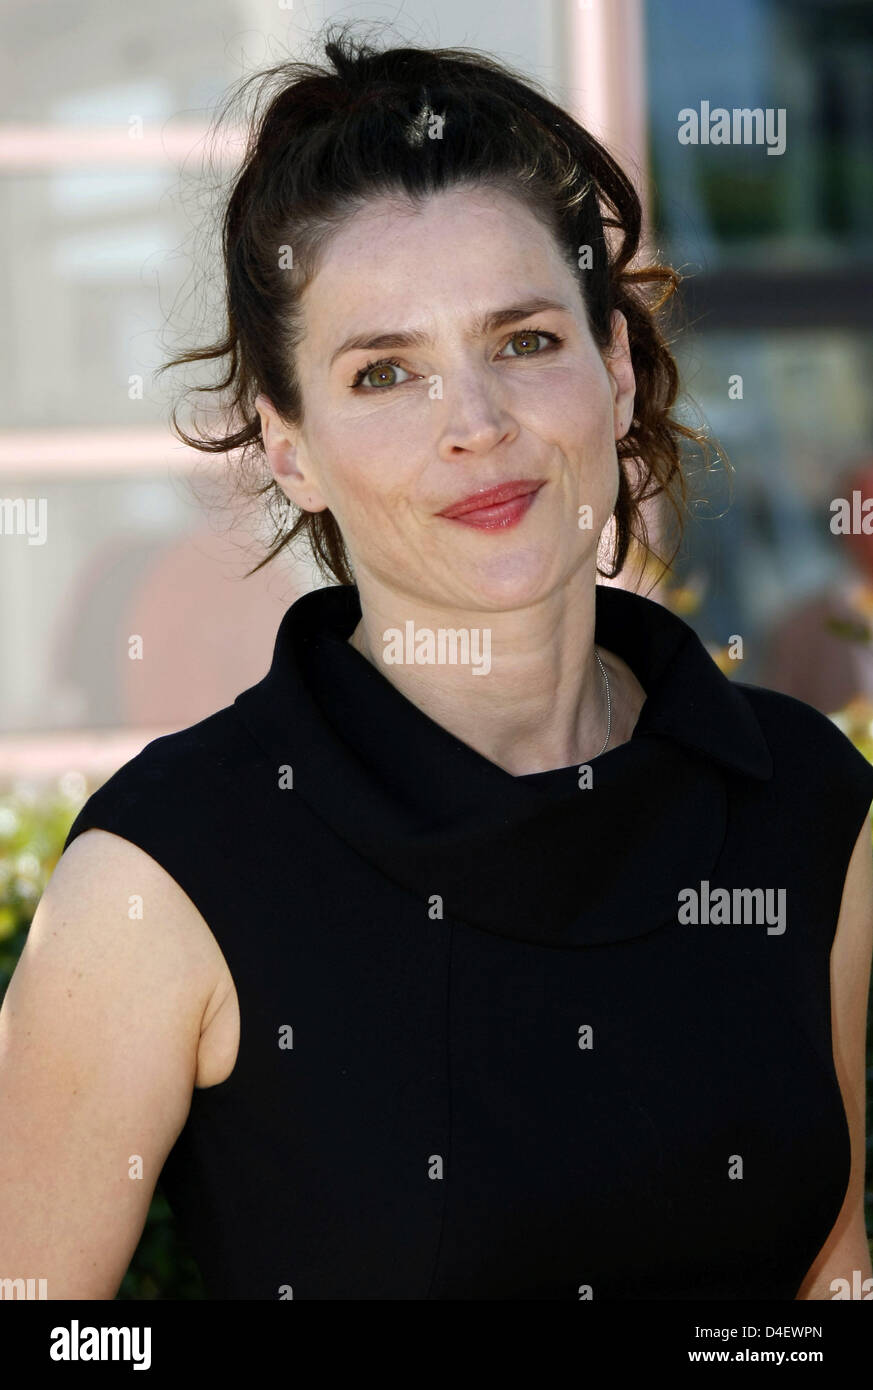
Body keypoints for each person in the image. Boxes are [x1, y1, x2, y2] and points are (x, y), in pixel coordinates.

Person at [2, 24, 871, 1302]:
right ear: (289, 447)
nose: (476, 425)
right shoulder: (168, 873)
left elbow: (829, 1271)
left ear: (615, 368)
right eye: (385, 372)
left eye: (524, 341)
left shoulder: (806, 801)